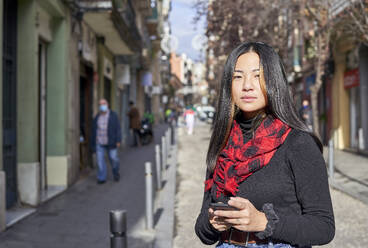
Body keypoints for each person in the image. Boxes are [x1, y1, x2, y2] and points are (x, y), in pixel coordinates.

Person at [195, 42, 334, 248]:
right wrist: (213, 223)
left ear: (274, 81)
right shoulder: (223, 144)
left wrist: (264, 222)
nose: (247, 85)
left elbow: (323, 227)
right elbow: (203, 231)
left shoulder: (297, 142)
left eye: (257, 76)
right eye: (238, 76)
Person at [91, 99, 121, 184]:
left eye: (104, 103)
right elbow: (94, 130)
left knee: (113, 158)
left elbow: (118, 128)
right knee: (100, 161)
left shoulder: (113, 115)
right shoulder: (97, 117)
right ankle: (101, 178)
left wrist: (118, 140)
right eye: (100, 104)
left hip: (111, 142)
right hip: (99, 142)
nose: (102, 105)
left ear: (107, 105)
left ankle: (116, 172)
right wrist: (93, 142)